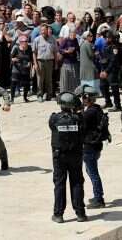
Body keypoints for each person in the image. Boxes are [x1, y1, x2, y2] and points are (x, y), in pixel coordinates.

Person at [49, 92, 87, 223]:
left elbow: (52, 127)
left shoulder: (54, 118)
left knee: (59, 183)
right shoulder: (79, 118)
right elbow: (83, 129)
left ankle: (58, 214)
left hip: (59, 156)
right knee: (77, 182)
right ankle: (80, 213)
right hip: (75, 154)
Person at [77, 85, 106, 208]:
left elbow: (80, 122)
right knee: (90, 170)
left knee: (93, 172)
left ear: (88, 98)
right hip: (96, 145)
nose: (82, 99)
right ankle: (98, 196)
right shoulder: (97, 108)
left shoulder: (89, 112)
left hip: (90, 146)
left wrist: (78, 112)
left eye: (83, 97)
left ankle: (99, 199)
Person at [33, 24, 58, 102]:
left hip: (50, 61)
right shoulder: (37, 40)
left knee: (49, 79)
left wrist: (56, 63)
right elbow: (34, 53)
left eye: (45, 30)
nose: (43, 32)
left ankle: (49, 95)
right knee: (40, 79)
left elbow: (55, 52)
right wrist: (35, 64)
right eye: (42, 30)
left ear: (48, 31)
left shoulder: (53, 39)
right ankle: (39, 95)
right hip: (40, 61)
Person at [99, 31, 121, 112]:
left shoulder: (114, 47)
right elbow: (103, 59)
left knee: (114, 88)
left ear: (112, 38)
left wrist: (106, 71)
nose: (107, 39)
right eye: (106, 37)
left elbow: (113, 61)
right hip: (105, 70)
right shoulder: (106, 45)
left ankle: (118, 105)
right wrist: (102, 71)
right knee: (102, 86)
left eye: (109, 37)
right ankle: (108, 102)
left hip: (112, 70)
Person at [10, 35, 32, 102]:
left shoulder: (29, 48)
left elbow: (31, 58)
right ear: (20, 42)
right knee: (14, 82)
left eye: (25, 41)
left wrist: (30, 63)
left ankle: (25, 97)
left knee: (26, 84)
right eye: (22, 41)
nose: (24, 43)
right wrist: (14, 59)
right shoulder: (16, 48)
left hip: (25, 68)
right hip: (16, 68)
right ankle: (12, 98)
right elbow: (11, 57)